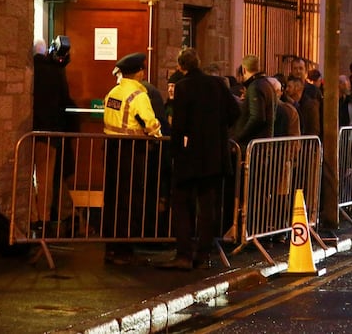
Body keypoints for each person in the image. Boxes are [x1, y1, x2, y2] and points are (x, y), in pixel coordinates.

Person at [166, 48, 241, 270]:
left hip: (190, 155)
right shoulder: (217, 84)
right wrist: (219, 131)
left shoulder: (183, 87)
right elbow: (234, 112)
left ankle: (184, 253)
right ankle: (204, 252)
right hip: (215, 155)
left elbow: (179, 124)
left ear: (181, 66)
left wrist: (174, 151)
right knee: (208, 205)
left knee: (182, 203)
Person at [102, 52, 163, 265]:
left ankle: (111, 246)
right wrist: (158, 135)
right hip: (132, 150)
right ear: (139, 72)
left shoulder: (113, 92)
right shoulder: (139, 96)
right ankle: (125, 248)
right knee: (130, 199)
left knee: (113, 198)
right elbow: (151, 123)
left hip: (111, 147)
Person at [32, 37, 78, 229]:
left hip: (29, 130)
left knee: (25, 176)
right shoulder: (55, 71)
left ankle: (32, 217)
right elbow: (65, 101)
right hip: (50, 131)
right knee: (45, 179)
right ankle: (43, 219)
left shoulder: (31, 70)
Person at [231, 55, 277, 151]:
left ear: (244, 70)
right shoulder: (267, 85)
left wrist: (238, 137)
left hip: (252, 146)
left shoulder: (255, 87)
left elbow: (257, 118)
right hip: (262, 144)